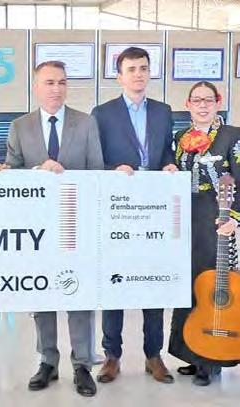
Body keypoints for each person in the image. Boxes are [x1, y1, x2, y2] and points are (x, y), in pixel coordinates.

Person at [3, 60, 103, 397]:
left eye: (61, 82)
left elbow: (96, 174)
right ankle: (48, 360)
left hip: (76, 224)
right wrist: (38, 171)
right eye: (49, 82)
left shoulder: (86, 123)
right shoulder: (20, 126)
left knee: (79, 293)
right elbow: (12, 173)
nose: (56, 88)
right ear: (36, 87)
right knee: (42, 292)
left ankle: (82, 364)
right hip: (38, 229)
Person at [91, 46, 176, 384]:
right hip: (119, 209)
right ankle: (112, 356)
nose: (138, 74)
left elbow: (166, 150)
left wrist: (169, 163)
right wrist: (113, 170)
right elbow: (96, 158)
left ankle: (153, 355)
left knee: (153, 282)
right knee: (115, 283)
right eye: (131, 69)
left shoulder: (163, 111)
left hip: (154, 208)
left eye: (143, 68)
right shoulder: (102, 113)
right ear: (119, 76)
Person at [168, 81, 240, 386]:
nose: (202, 105)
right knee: (187, 284)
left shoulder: (232, 136)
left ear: (217, 103)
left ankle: (211, 360)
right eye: (196, 100)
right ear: (188, 104)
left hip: (217, 219)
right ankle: (191, 353)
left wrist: (235, 218)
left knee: (212, 283)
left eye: (208, 100)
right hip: (185, 218)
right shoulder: (179, 138)